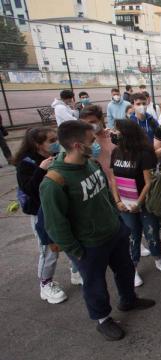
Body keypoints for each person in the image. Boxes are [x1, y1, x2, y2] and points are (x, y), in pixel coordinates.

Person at [40, 120, 155, 341]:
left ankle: (128, 299)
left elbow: (104, 195)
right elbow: (55, 224)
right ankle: (103, 319)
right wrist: (76, 251)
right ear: (76, 145)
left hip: (114, 233)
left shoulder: (90, 163)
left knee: (125, 270)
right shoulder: (54, 181)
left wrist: (118, 222)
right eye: (91, 141)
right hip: (89, 245)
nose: (96, 144)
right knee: (95, 284)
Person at [13, 127, 80, 304]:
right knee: (50, 250)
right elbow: (31, 190)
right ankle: (46, 283)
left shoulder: (59, 156)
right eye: (51, 141)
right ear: (37, 144)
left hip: (61, 208)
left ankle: (76, 271)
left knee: (72, 240)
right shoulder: (26, 163)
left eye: (56, 139)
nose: (56, 143)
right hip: (41, 213)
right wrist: (41, 170)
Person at [109, 119, 161, 288]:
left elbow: (148, 181)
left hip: (143, 204)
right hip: (125, 205)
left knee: (151, 233)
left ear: (127, 133)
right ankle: (134, 268)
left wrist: (139, 202)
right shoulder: (116, 152)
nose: (113, 134)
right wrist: (117, 201)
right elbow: (114, 179)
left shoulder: (144, 153)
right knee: (132, 237)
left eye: (116, 131)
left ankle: (158, 260)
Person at [79, 105, 115, 182]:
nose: (89, 126)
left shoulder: (114, 137)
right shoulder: (83, 144)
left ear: (101, 119)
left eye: (92, 122)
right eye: (85, 124)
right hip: (102, 185)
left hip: (121, 184)